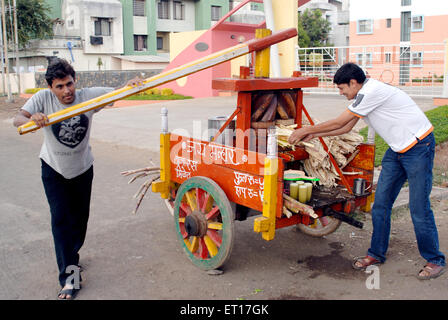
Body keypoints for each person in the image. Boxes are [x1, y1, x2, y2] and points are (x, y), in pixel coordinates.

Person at [288, 62, 446, 280]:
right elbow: (346, 128)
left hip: (418, 147)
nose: (342, 93)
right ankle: (376, 254)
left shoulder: (371, 92)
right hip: (397, 149)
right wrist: (313, 136)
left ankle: (435, 260)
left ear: (354, 83)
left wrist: (307, 129)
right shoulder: (363, 95)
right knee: (380, 205)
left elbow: (340, 121)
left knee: (419, 208)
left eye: (342, 88)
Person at [13, 58, 142, 299]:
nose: (66, 90)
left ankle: (72, 256)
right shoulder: (42, 98)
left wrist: (131, 84)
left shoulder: (88, 96)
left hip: (82, 168)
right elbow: (17, 120)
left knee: (80, 221)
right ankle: (70, 277)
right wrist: (32, 119)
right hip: (53, 169)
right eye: (59, 86)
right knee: (61, 222)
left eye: (69, 84)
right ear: (51, 87)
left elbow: (120, 91)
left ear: (75, 81)